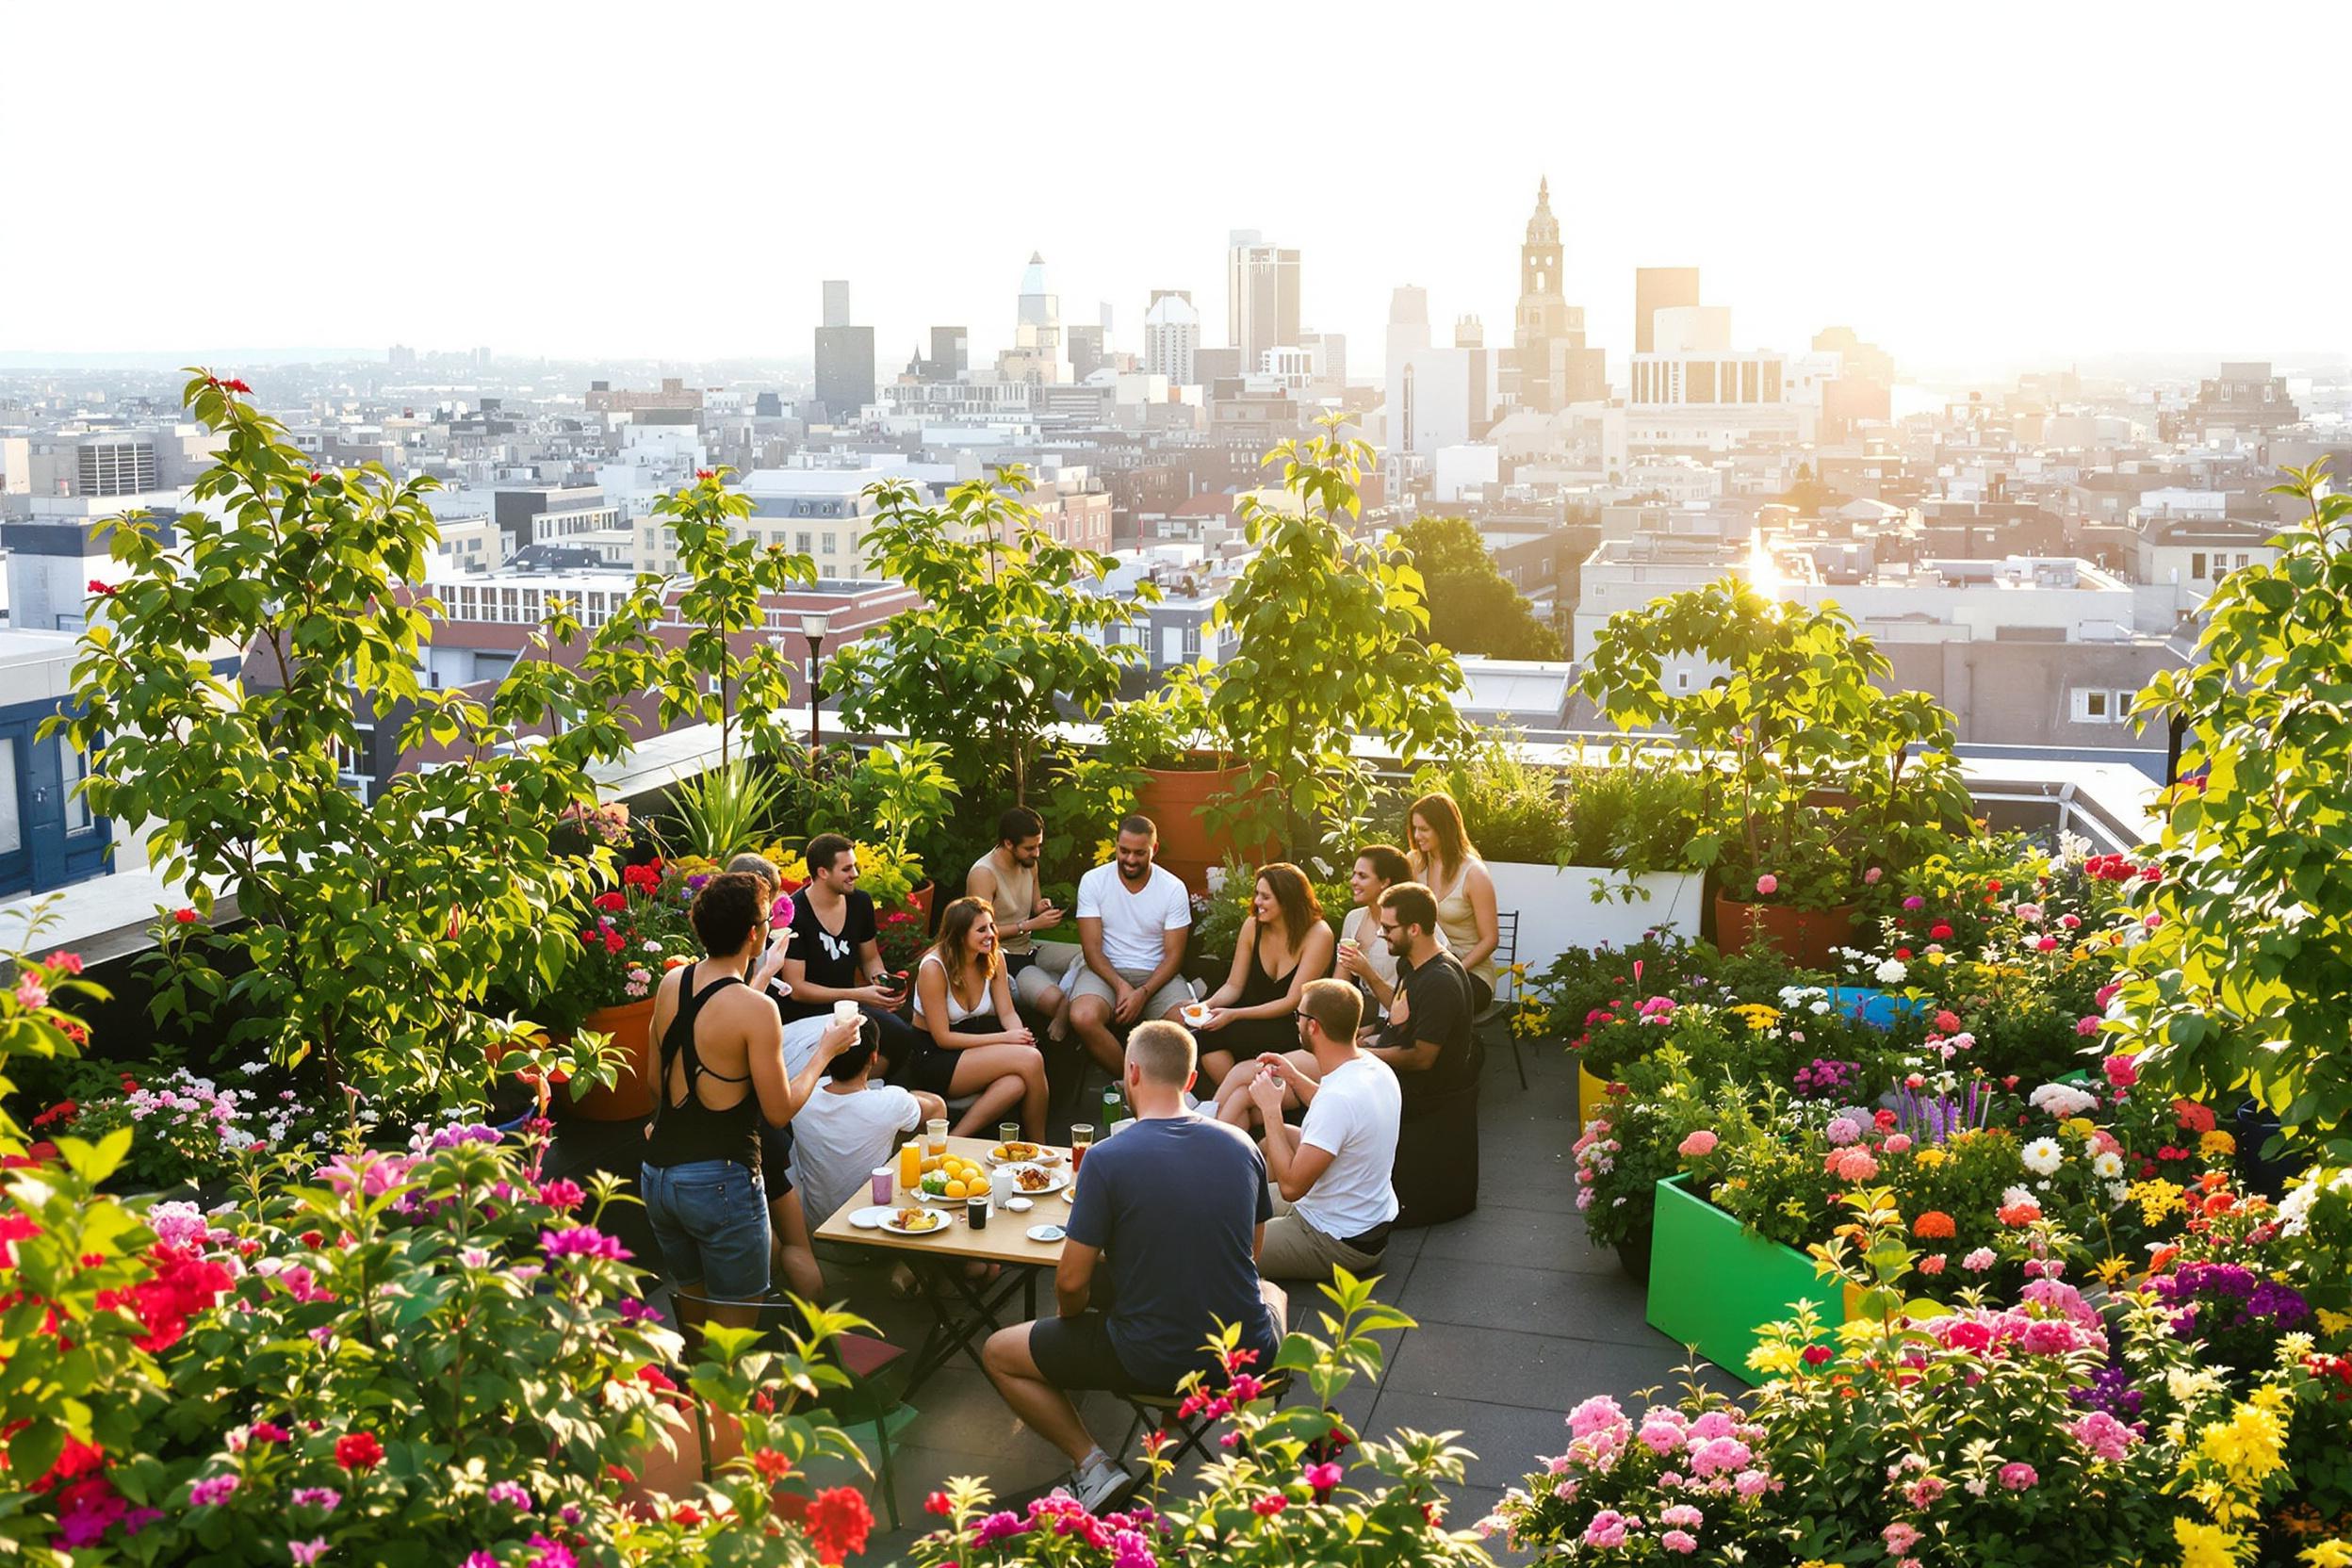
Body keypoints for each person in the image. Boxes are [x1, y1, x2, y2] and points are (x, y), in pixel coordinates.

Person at [980, 1021, 1284, 1511]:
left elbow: (1072, 1281)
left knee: (998, 1351)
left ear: (1132, 1073)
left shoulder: (1107, 1158)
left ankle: (1093, 1465)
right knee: (1273, 1294)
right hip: (1240, 1353)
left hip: (1152, 1358)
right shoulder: (1241, 1145)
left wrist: (1072, 1319)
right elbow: (1250, 1256)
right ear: (1190, 1082)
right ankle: (1252, 1430)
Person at [640, 871, 859, 1329]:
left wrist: (760, 977)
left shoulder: (672, 983)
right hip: (719, 1181)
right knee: (734, 1336)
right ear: (755, 933)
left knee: (696, 1322)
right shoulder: (759, 1010)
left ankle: (692, 1401)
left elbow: (656, 1084)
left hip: (659, 1176)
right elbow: (778, 1110)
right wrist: (825, 1051)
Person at [1225, 978, 1400, 1283]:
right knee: (1227, 1202)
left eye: (1299, 1016)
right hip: (1357, 1220)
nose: (1297, 1023)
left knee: (1218, 1246)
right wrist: (1293, 1077)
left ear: (1314, 1027)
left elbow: (1292, 1187)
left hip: (1336, 1241)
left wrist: (1270, 1109)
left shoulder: (1339, 1099)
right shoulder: (1372, 1067)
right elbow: (1340, 1115)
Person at [784, 1015, 948, 1238]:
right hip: (878, 1229)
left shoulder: (801, 1099)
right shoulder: (891, 1103)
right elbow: (937, 1108)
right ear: (874, 1057)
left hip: (817, 1230)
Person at [775, 834, 923, 1074]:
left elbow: (870, 958)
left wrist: (883, 984)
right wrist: (860, 995)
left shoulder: (860, 903)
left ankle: (860, 1088)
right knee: (855, 1045)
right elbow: (797, 988)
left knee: (901, 1036)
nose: (855, 873)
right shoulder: (797, 914)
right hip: (805, 1013)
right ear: (823, 872)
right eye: (847, 868)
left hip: (847, 1005)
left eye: (855, 866)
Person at [907, 896, 1050, 1136]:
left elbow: (1007, 1012)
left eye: (992, 926)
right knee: (1031, 1060)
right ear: (960, 934)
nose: (991, 935)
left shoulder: (994, 956)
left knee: (1016, 1083)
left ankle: (954, 1139)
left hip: (971, 1050)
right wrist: (1006, 1040)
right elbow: (942, 1038)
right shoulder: (933, 968)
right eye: (982, 929)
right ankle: (1042, 1146)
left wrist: (1020, 1035)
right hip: (934, 1056)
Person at [1067, 815, 1194, 1074]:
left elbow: (1174, 956)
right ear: (1116, 846)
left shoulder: (1173, 888)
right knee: (1083, 1016)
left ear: (1154, 850)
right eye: (1124, 851)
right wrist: (1121, 985)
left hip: (1158, 976)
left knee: (1186, 1024)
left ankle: (1156, 1090)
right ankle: (1131, 1082)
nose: (1130, 859)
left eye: (1139, 852)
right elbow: (1091, 949)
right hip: (1105, 971)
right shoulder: (1093, 880)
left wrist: (1143, 992)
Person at [1188, 862, 1334, 1086]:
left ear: (1287, 900)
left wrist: (1235, 1015)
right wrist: (1205, 1007)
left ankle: (1238, 1100)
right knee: (1204, 1034)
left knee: (1213, 1034)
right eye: (1257, 894)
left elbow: (1291, 1001)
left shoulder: (1318, 934)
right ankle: (1240, 1098)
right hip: (1247, 1014)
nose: (1257, 902)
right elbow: (1234, 985)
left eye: (1265, 897)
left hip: (1289, 1023)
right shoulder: (1252, 926)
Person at [966, 807, 1084, 1040]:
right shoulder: (984, 874)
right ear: (1009, 844)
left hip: (1030, 945)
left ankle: (1074, 1005)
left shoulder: (1030, 864)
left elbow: (1034, 905)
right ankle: (1060, 1026)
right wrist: (1030, 924)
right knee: (1056, 1000)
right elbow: (978, 933)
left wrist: (1042, 908)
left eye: (1039, 845)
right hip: (1003, 956)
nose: (1037, 853)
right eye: (1030, 848)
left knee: (1088, 954)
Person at [1366, 882, 1480, 1108]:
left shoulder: (1440, 981)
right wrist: (1366, 1037)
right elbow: (1402, 1017)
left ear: (1414, 929)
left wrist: (1363, 1055)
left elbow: (1421, 1058)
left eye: (1388, 929)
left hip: (1420, 1094)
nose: (1382, 935)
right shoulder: (1409, 963)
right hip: (1392, 1075)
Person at [1406, 791, 1501, 1011]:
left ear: (1444, 829)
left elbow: (1491, 939)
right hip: (1424, 967)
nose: (1417, 835)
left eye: (1424, 829)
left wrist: (1453, 969)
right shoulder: (1413, 863)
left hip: (1470, 971)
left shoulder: (1474, 873)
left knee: (1430, 1001)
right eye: (1414, 828)